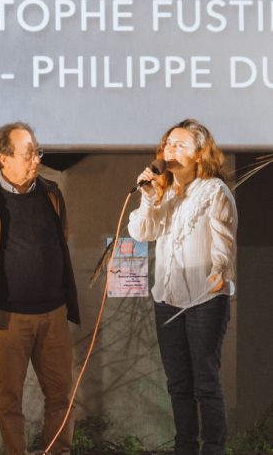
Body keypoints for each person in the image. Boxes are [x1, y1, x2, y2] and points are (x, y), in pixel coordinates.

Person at [0, 122, 80, 455]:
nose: (36, 159)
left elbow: (60, 239)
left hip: (54, 314)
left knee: (61, 395)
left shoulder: (52, 193)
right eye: (28, 153)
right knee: (9, 398)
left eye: (38, 152)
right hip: (7, 317)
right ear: (3, 157)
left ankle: (58, 450)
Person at [128, 119, 237, 455]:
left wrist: (219, 271)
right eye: (168, 145)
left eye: (180, 145)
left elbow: (224, 243)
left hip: (205, 299)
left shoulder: (214, 191)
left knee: (205, 383)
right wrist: (148, 196)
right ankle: (185, 448)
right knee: (177, 384)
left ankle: (213, 449)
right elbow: (141, 232)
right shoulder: (164, 193)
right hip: (168, 299)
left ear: (199, 154)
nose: (171, 150)